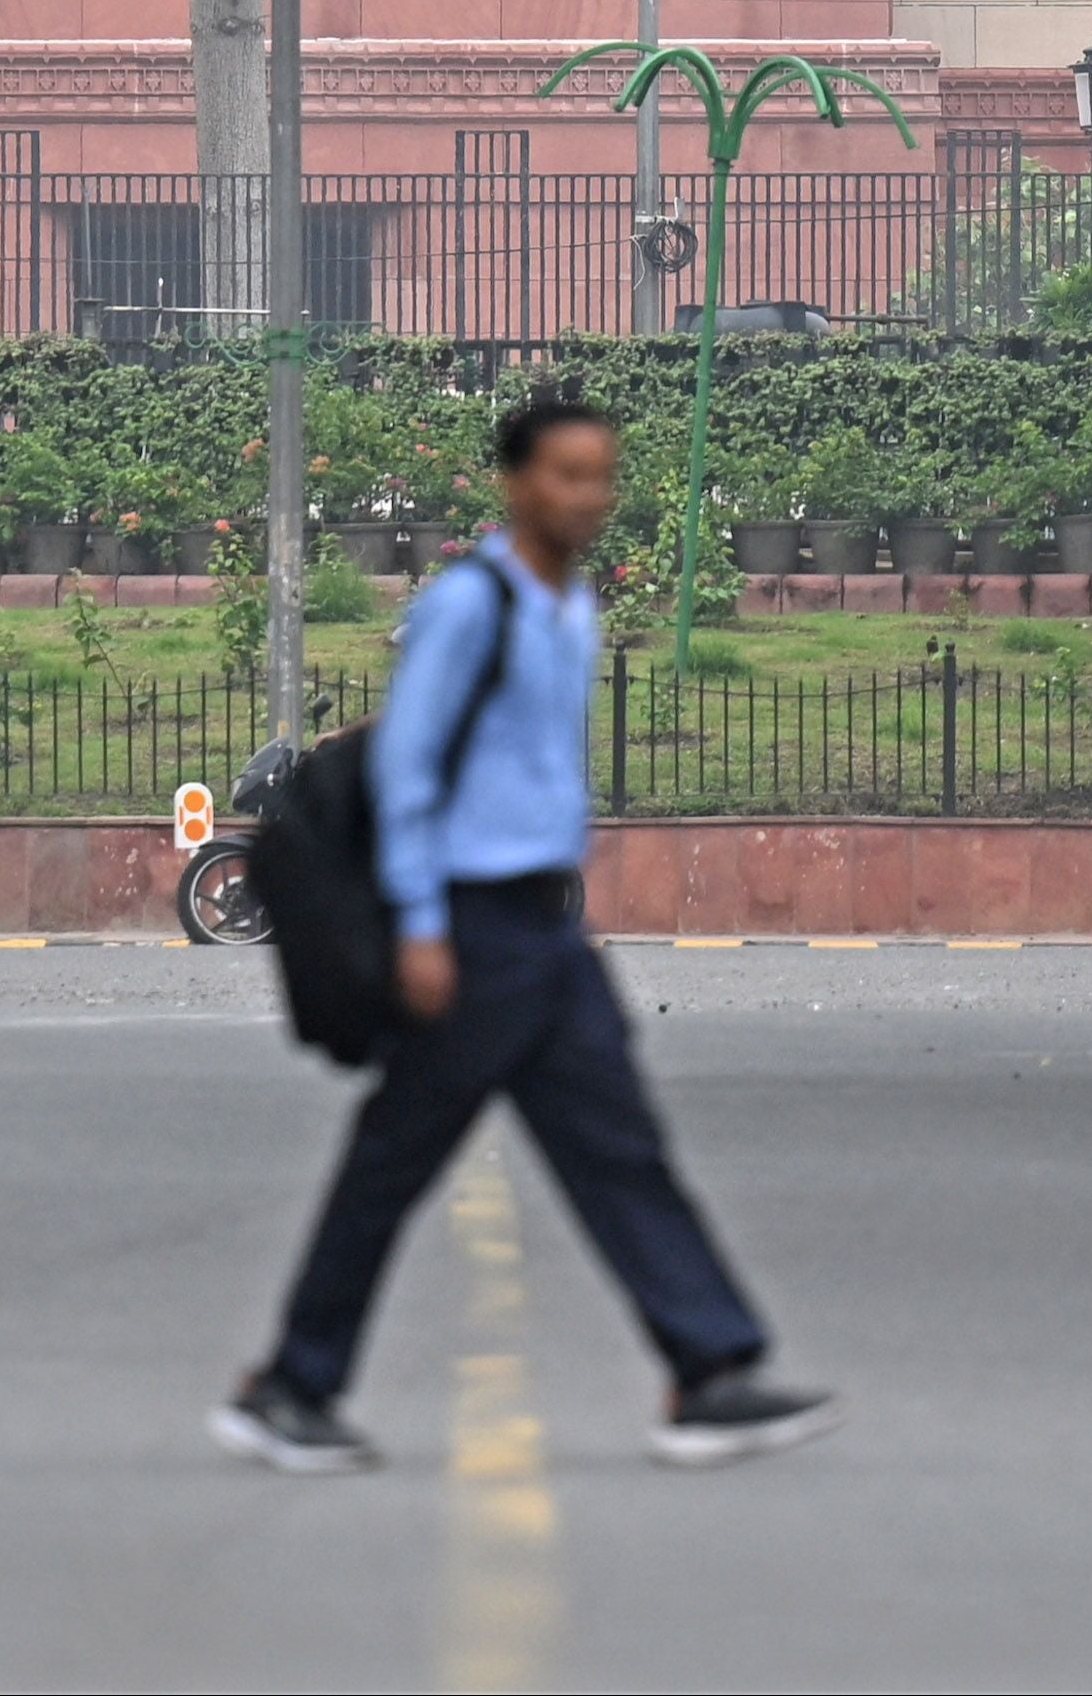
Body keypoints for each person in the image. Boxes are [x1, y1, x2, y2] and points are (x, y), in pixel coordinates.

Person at [220, 393, 834, 1474]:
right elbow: (408, 768)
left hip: (540, 926)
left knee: (618, 1142)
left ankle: (708, 1370)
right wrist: (418, 926)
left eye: (600, 474)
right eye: (564, 474)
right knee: (394, 1160)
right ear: (514, 482)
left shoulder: (569, 607)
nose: (586, 495)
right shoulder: (475, 605)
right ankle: (292, 1382)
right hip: (467, 921)